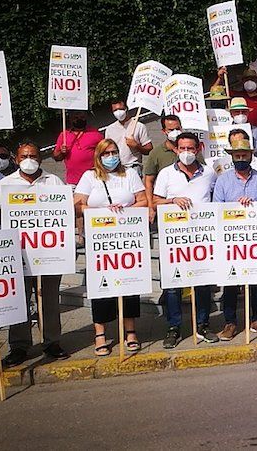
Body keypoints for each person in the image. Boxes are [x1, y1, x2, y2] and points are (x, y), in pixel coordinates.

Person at [0, 143, 69, 365]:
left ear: (40, 159)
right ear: (16, 159)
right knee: (19, 300)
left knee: (50, 300)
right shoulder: (5, 184)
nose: (29, 159)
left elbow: (65, 211)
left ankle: (52, 342)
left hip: (48, 253)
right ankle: (19, 346)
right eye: (24, 156)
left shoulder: (53, 181)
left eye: (33, 155)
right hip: (18, 253)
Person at [73, 139, 147, 356]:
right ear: (98, 155)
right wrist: (103, 211)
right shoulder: (90, 176)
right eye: (106, 153)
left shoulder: (130, 175)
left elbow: (143, 201)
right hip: (100, 242)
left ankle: (130, 331)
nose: (111, 156)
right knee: (101, 287)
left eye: (114, 152)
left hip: (126, 239)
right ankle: (100, 334)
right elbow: (77, 205)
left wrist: (126, 208)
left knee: (129, 284)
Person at [152, 132, 219, 348]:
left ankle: (203, 324)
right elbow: (155, 201)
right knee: (173, 285)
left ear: (198, 148)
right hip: (174, 238)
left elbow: (216, 199)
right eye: (182, 149)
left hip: (201, 238)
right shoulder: (165, 174)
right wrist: (173, 200)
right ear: (176, 150)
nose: (187, 153)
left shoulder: (209, 173)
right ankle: (174, 327)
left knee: (202, 282)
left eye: (190, 149)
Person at [212, 139, 257, 339]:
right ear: (232, 157)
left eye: (244, 155)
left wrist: (252, 205)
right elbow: (217, 209)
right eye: (237, 156)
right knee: (230, 282)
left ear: (251, 156)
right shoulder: (223, 181)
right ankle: (230, 323)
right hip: (231, 240)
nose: (241, 159)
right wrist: (235, 208)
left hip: (255, 238)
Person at [215, 67, 257, 135]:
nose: (249, 81)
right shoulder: (236, 96)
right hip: (237, 136)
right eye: (246, 79)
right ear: (242, 81)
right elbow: (215, 93)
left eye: (252, 79)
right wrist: (220, 78)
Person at [52, 110, 103, 186]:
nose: (79, 119)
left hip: (93, 179)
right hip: (73, 182)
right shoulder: (64, 135)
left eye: (82, 117)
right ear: (70, 118)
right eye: (76, 117)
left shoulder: (95, 133)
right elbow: (56, 157)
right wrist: (62, 152)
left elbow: (104, 153)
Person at [104, 99, 153, 175]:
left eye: (121, 109)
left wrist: (136, 146)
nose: (118, 112)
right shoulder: (110, 129)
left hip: (133, 167)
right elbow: (106, 149)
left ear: (126, 109)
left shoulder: (139, 126)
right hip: (116, 168)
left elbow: (149, 149)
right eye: (115, 110)